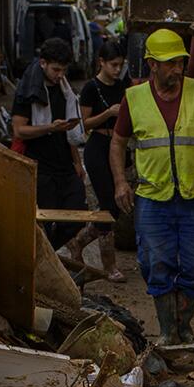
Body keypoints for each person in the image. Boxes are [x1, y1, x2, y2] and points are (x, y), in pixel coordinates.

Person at [111, 29, 194, 344]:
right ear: (151, 64)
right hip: (153, 198)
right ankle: (167, 332)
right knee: (155, 262)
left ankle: (183, 326)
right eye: (170, 63)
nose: (177, 69)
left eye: (180, 62)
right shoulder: (133, 98)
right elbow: (118, 141)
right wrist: (121, 181)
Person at [13, 37, 88, 248]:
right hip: (40, 168)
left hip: (65, 167)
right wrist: (50, 128)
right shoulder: (28, 91)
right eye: (56, 69)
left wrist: (76, 162)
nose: (60, 75)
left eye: (63, 70)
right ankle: (43, 260)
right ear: (43, 63)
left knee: (77, 215)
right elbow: (19, 130)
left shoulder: (66, 91)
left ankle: (50, 253)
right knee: (43, 220)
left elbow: (68, 131)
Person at [71, 38, 129, 281]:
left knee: (115, 205)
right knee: (108, 203)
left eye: (120, 65)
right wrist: (108, 113)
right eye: (113, 65)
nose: (117, 70)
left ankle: (79, 242)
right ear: (101, 63)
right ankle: (110, 265)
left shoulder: (122, 84)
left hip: (119, 146)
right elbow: (83, 125)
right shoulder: (90, 88)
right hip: (98, 147)